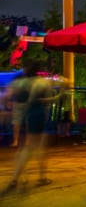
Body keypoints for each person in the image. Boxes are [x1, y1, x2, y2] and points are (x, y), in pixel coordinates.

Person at [4, 60, 57, 192]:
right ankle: (17, 179)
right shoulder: (41, 82)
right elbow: (48, 99)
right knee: (33, 147)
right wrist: (60, 94)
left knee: (27, 147)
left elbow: (9, 95)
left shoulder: (21, 82)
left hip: (24, 115)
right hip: (36, 114)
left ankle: (29, 177)